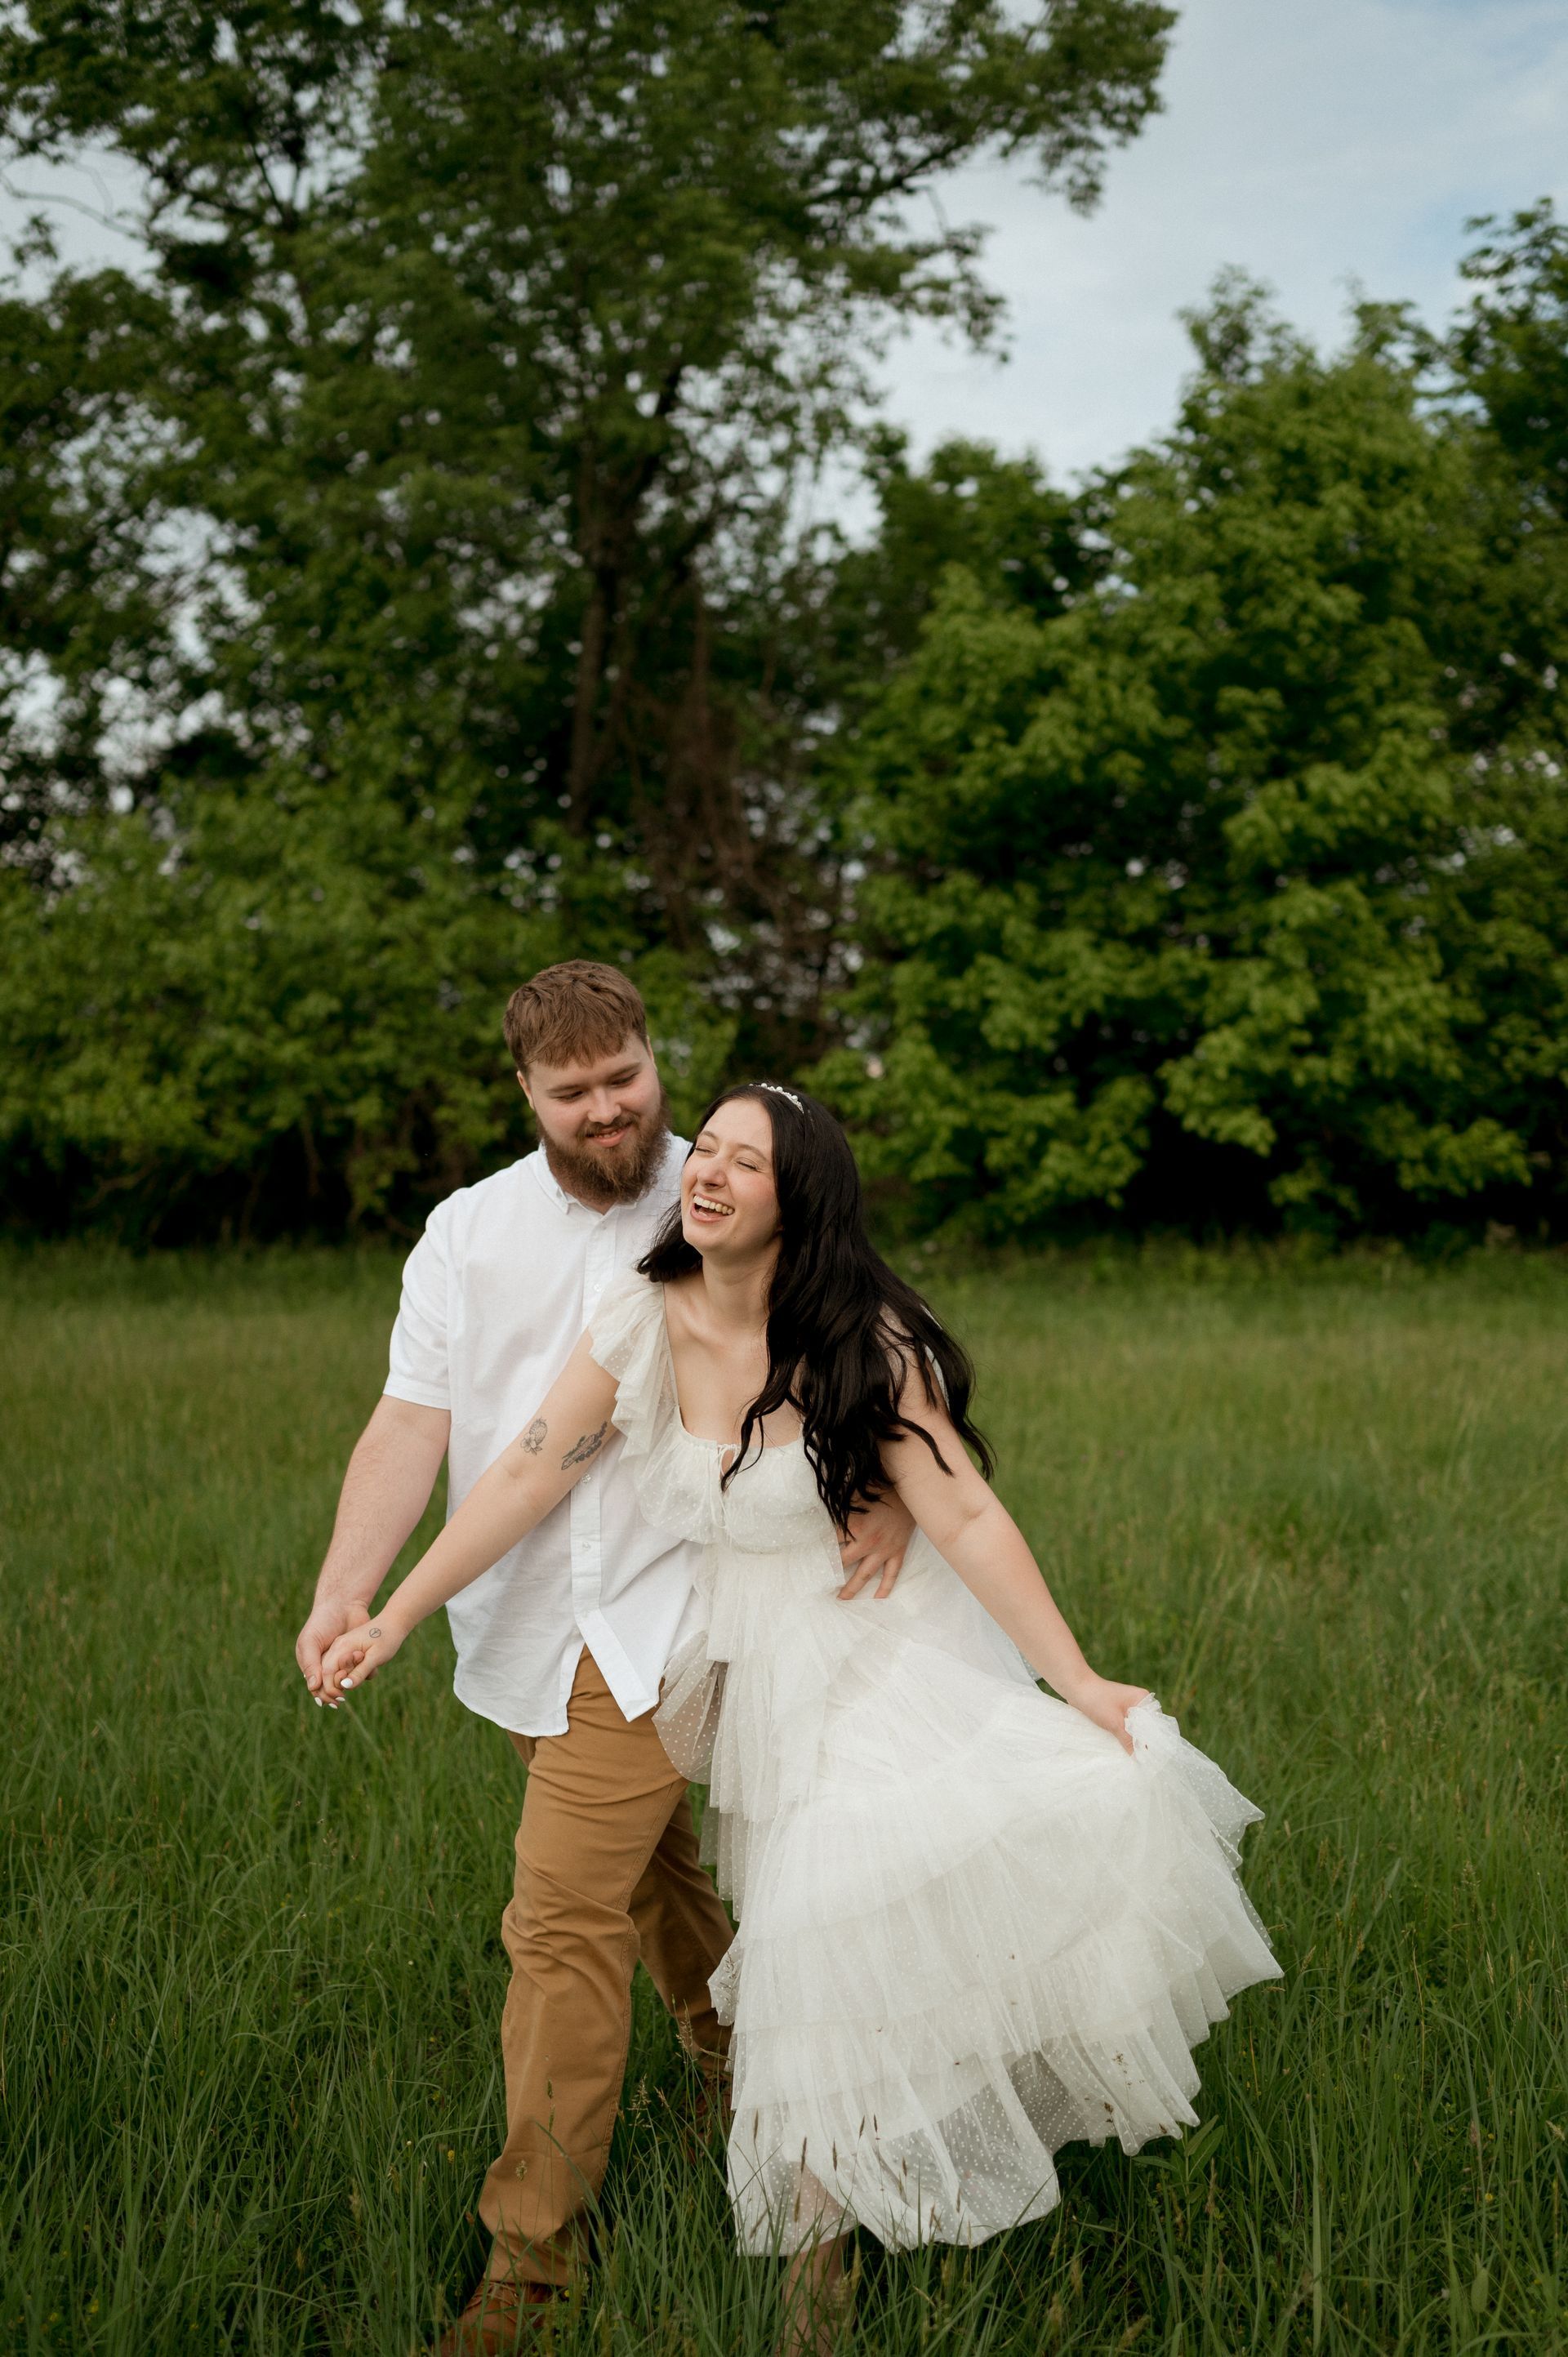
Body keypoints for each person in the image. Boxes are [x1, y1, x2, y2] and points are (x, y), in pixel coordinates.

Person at [318, 1080, 1280, 2354]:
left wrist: (1080, 1680)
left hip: (875, 1660)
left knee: (817, 1955)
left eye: (743, 1163)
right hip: (748, 1673)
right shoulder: (643, 1316)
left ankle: (811, 2300)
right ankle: (818, 2194)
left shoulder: (863, 1337)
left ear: (799, 1199)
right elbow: (525, 1468)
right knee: (787, 1950)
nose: (705, 1173)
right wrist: (390, 1609)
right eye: (703, 1150)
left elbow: (970, 1516)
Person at [295, 977, 915, 2356]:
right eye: (573, 1092)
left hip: (675, 1616)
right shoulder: (466, 1233)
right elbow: (415, 1420)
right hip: (516, 1619)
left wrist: (893, 1490)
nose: (610, 1108)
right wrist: (353, 1586)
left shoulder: (728, 1185)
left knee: (557, 1916)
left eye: (626, 1076)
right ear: (525, 1093)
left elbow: (864, 1338)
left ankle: (530, 2260)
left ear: (653, 1058)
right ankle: (733, 2063)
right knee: (654, 1873)